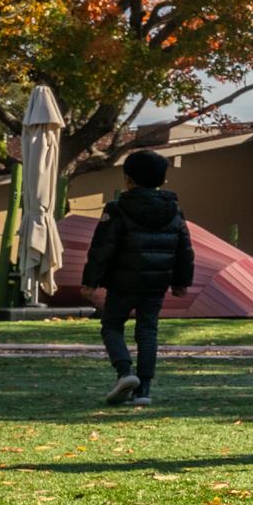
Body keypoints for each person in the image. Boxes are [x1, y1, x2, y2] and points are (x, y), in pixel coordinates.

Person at [80, 149, 193, 407]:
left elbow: (102, 248)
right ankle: (144, 388)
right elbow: (185, 248)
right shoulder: (174, 210)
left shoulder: (117, 208)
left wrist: (91, 281)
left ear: (127, 179)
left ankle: (124, 372)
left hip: (123, 281)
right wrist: (181, 282)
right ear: (163, 180)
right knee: (147, 330)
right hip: (156, 283)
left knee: (111, 325)